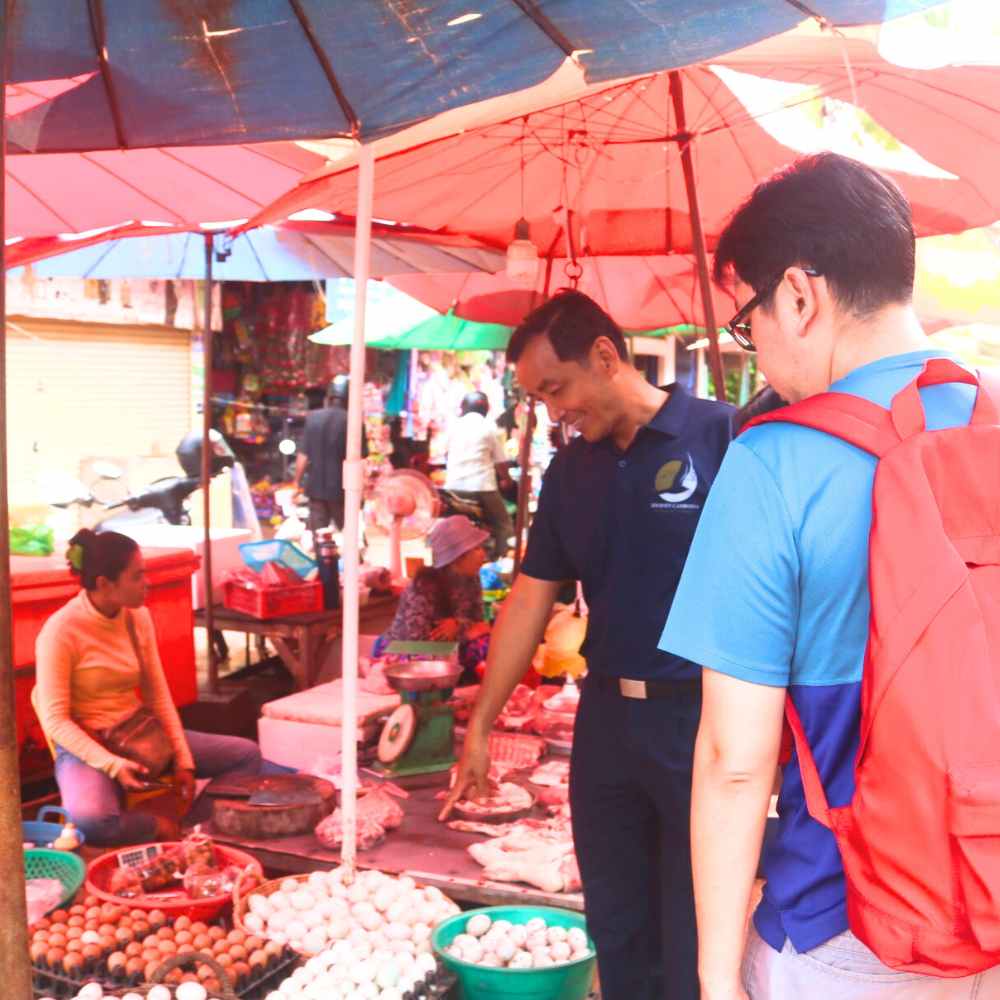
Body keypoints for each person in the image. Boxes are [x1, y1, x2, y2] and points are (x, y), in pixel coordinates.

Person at [658, 152, 1000, 999]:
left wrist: (714, 977)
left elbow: (735, 760)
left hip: (847, 928)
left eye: (750, 321)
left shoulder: (775, 462)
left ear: (801, 295)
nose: (755, 346)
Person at [441, 289, 734, 1000]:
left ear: (605, 356)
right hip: (605, 724)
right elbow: (529, 603)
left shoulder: (724, 435)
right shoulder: (571, 472)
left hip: (702, 722)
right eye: (538, 397)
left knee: (698, 926)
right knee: (618, 921)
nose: (553, 411)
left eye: (556, 388)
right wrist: (479, 725)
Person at [35, 529, 271, 846]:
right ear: (105, 583)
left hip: (139, 734)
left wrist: (183, 760)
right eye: (137, 576)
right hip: (85, 743)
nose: (147, 583)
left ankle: (188, 829)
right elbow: (55, 721)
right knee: (90, 819)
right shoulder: (60, 630)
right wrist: (112, 765)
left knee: (245, 755)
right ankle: (155, 826)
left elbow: (159, 698)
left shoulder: (138, 617)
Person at [373, 516, 491, 684]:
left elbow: (477, 623)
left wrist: (457, 625)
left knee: (490, 644)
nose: (483, 554)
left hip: (448, 649)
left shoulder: (472, 579)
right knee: (427, 661)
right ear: (458, 557)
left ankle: (460, 679)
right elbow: (416, 639)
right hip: (405, 650)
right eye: (477, 549)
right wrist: (463, 632)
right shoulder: (423, 585)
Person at [292, 374, 366, 534]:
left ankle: (322, 559)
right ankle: (354, 559)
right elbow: (360, 461)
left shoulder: (313, 418)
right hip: (343, 490)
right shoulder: (354, 421)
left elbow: (303, 456)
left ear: (329, 396)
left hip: (316, 488)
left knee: (319, 537)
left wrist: (296, 482)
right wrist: (362, 489)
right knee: (350, 536)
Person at [444, 391, 514, 559]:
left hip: (454, 488)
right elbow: (501, 462)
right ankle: (502, 560)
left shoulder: (453, 426)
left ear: (463, 407)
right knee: (504, 525)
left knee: (452, 526)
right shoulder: (489, 427)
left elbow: (446, 455)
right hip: (482, 487)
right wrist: (506, 479)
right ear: (486, 408)